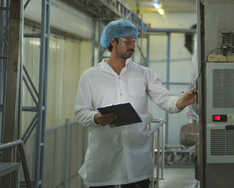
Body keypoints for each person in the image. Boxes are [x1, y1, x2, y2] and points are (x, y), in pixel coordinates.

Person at [74, 19, 197, 188]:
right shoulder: (90, 76)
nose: (132, 45)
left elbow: (165, 100)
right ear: (113, 41)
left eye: (134, 41)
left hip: (137, 163)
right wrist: (96, 118)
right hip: (104, 161)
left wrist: (182, 102)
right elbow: (80, 112)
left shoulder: (144, 73)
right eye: (127, 41)